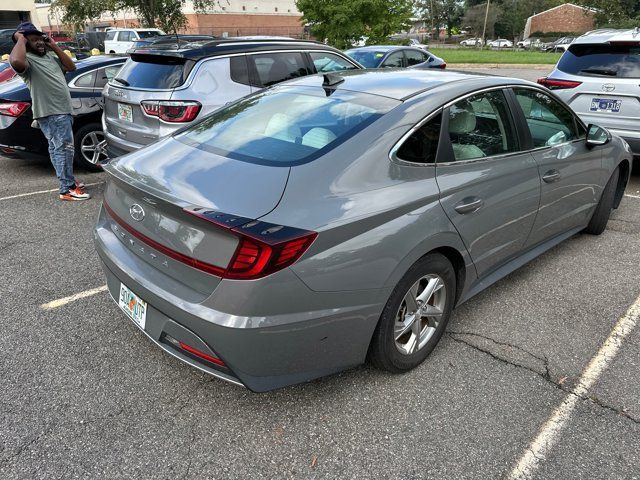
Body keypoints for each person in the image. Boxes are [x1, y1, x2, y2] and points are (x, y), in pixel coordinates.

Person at [9, 22, 90, 201]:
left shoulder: (49, 56)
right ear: (25, 42)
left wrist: (52, 44)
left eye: (40, 39)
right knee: (64, 149)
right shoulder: (27, 61)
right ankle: (67, 189)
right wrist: (21, 38)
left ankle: (67, 182)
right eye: (33, 39)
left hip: (62, 110)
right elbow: (15, 61)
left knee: (57, 149)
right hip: (52, 112)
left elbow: (71, 67)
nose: (39, 42)